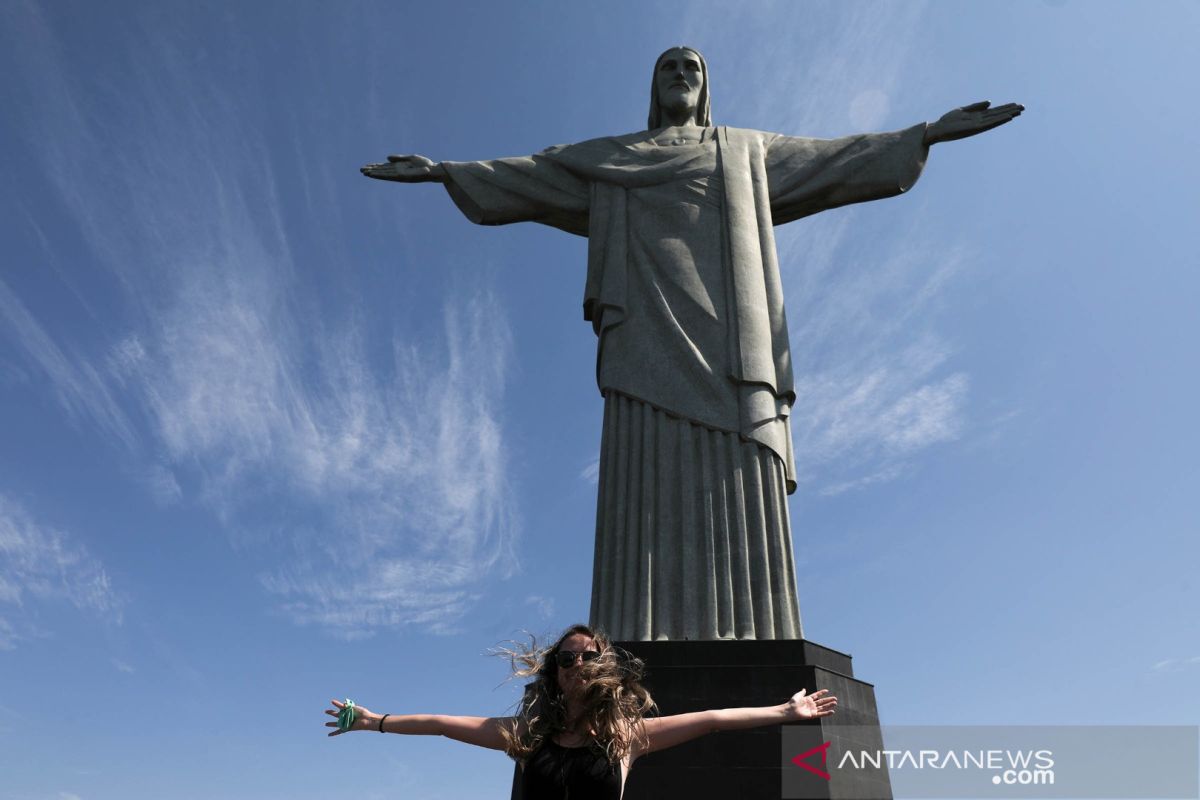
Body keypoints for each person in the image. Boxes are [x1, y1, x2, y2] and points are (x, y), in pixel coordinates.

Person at [360, 48, 1022, 643]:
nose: (680, 75)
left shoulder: (743, 149)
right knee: (643, 459)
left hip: (734, 337)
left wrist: (926, 134)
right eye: (668, 67)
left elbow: (835, 158)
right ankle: (634, 629)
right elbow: (531, 174)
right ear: (653, 87)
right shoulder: (609, 158)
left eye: (692, 68)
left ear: (705, 88)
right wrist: (444, 171)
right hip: (644, 325)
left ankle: (759, 636)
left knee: (741, 460)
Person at [324, 623, 837, 799]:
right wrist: (375, 722)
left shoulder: (627, 738)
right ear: (556, 672)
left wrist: (784, 711)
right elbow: (440, 724)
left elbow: (712, 719)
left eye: (590, 656)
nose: (578, 664)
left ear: (606, 667)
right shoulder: (524, 735)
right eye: (567, 658)